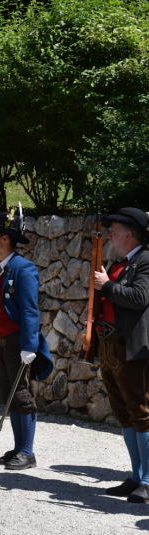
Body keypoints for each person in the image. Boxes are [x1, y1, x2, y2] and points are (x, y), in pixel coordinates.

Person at [0, 209, 52, 470]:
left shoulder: (24, 268)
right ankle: (18, 447)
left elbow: (30, 309)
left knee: (21, 394)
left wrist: (29, 345)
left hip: (15, 341)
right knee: (7, 394)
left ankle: (27, 451)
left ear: (6, 239)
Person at [92, 207, 149, 502]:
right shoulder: (119, 263)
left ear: (130, 233)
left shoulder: (145, 261)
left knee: (141, 413)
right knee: (124, 413)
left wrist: (108, 286)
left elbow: (140, 298)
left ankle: (148, 480)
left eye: (114, 230)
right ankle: (136, 476)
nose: (110, 234)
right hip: (110, 345)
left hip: (131, 347)